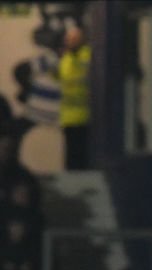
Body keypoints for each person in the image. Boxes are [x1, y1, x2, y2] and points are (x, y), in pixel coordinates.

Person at [57, 26, 91, 170]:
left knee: (85, 159)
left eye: (73, 39)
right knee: (71, 160)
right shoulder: (65, 60)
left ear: (81, 40)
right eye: (68, 39)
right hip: (69, 118)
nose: (69, 42)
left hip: (87, 118)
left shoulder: (90, 57)